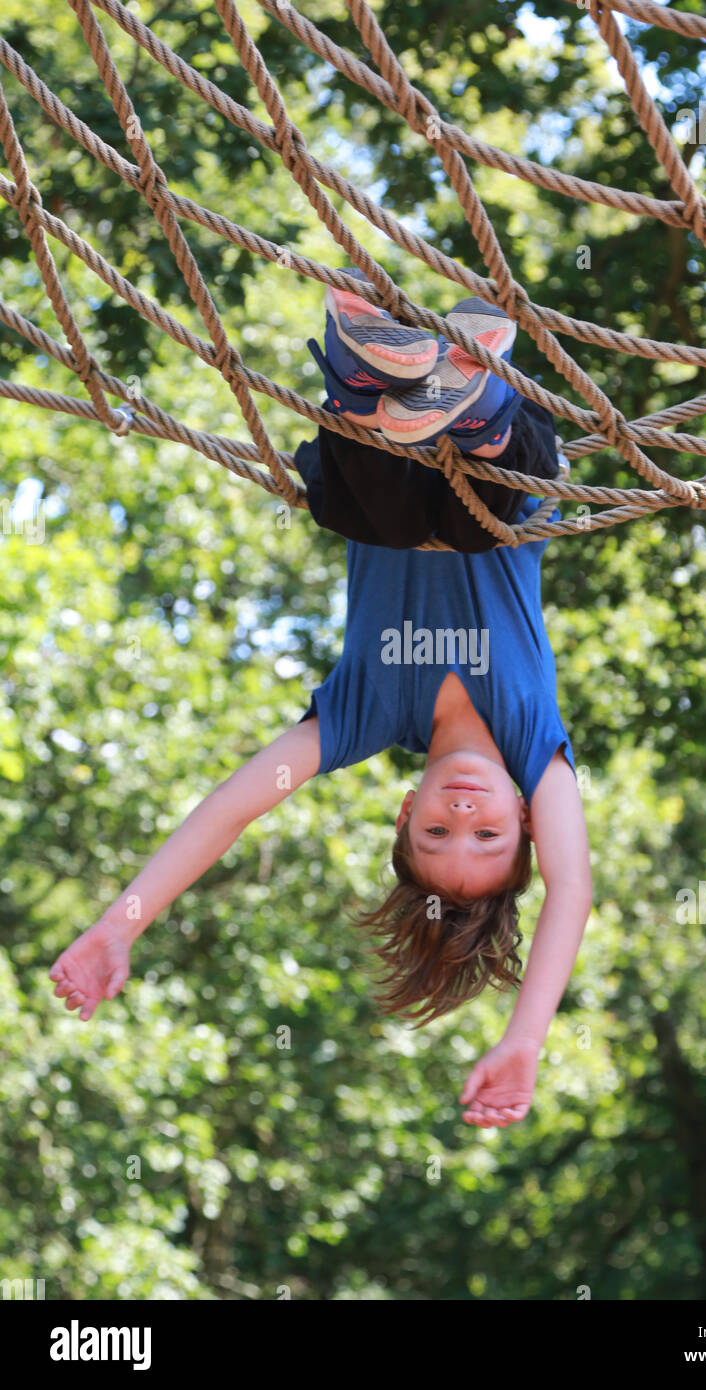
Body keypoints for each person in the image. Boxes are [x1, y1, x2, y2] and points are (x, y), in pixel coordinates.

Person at [49, 271, 593, 1129]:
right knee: (473, 518)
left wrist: (122, 922)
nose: (461, 812)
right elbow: (570, 890)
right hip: (499, 471)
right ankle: (470, 398)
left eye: (435, 832)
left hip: (377, 462)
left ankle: (372, 376)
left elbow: (229, 812)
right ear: (527, 820)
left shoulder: (361, 715)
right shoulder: (534, 742)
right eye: (485, 835)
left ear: (405, 810)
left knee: (354, 511)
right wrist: (526, 1036)